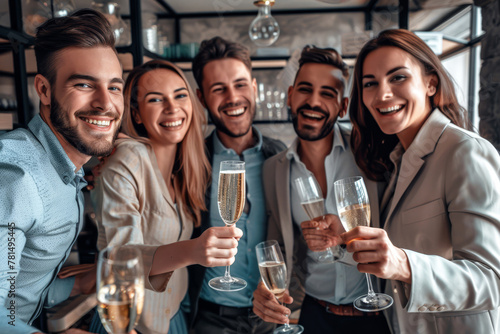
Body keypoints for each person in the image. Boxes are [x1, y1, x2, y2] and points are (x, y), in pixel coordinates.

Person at [343, 29, 500, 333]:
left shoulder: (465, 151)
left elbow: (491, 281)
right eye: (370, 83)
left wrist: (403, 264)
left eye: (397, 77)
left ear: (430, 83)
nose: (382, 94)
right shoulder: (397, 158)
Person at [90, 59, 242, 334]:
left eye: (180, 95)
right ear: (136, 115)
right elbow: (119, 257)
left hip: (174, 318)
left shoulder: (184, 170)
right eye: (156, 100)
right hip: (129, 323)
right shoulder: (127, 159)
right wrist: (194, 250)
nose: (173, 108)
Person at [0, 9, 124, 334]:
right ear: (43, 90)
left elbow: (16, 291)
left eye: (114, 87)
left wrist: (76, 286)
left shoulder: (67, 171)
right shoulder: (16, 178)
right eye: (84, 84)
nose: (105, 104)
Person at [252, 46, 391, 334]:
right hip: (314, 315)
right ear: (290, 96)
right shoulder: (273, 170)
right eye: (305, 90)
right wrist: (267, 288)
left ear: (342, 106)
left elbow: (397, 223)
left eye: (327, 93)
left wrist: (344, 234)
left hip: (377, 313)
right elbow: (278, 247)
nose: (313, 101)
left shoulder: (371, 154)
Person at [188, 36, 286, 334]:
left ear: (254, 88)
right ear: (202, 98)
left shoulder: (280, 155)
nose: (232, 97)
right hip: (211, 318)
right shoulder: (191, 160)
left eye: (240, 84)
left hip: (270, 313)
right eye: (218, 89)